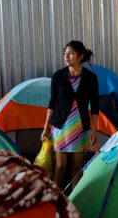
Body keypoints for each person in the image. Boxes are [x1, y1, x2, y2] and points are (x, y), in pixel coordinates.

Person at [41, 40, 99, 189]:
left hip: (80, 126)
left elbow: (95, 105)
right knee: (60, 166)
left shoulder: (90, 78)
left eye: (70, 53)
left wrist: (94, 129)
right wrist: (45, 127)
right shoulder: (58, 76)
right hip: (61, 126)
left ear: (80, 56)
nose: (66, 56)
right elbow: (52, 103)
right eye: (65, 53)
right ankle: (54, 197)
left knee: (76, 167)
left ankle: (75, 201)